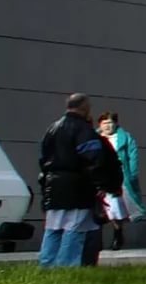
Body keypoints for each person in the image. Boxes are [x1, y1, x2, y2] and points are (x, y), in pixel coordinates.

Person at [35, 95, 114, 268]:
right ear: (84, 107)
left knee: (53, 227)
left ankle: (47, 264)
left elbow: (43, 158)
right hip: (77, 185)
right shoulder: (83, 130)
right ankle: (66, 266)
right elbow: (94, 158)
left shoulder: (52, 128)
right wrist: (101, 184)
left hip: (53, 184)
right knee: (74, 227)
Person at [88, 110, 145, 262]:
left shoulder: (124, 139)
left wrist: (132, 175)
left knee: (115, 209)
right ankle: (97, 240)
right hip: (98, 178)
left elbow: (132, 157)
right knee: (98, 210)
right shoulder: (94, 138)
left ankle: (117, 234)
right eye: (104, 123)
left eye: (110, 123)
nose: (108, 126)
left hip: (115, 178)